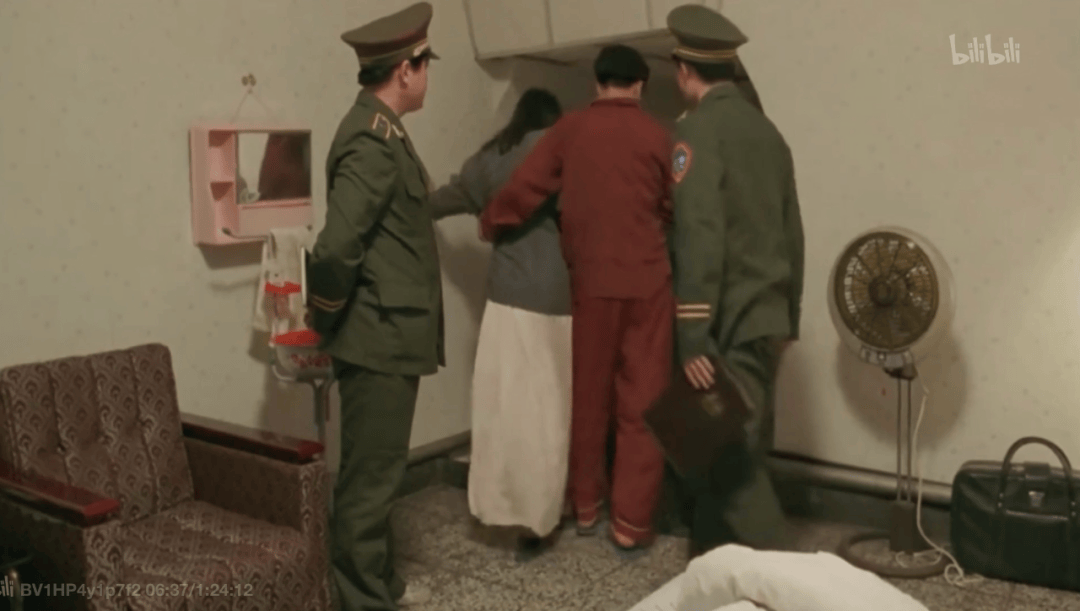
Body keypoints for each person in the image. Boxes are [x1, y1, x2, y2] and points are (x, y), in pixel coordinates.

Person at [479, 45, 675, 552]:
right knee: (643, 402)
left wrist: (491, 222)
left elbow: (524, 189)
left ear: (596, 82)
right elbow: (676, 206)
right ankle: (630, 523)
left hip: (590, 283)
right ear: (640, 85)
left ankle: (586, 504)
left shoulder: (569, 129)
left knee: (587, 398)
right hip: (649, 284)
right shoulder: (661, 136)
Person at [305, 3, 442, 609]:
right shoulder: (370, 137)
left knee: (380, 475)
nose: (428, 77)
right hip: (376, 336)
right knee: (368, 483)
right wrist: (327, 317)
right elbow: (337, 248)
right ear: (406, 69)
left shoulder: (384, 130)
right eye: (426, 65)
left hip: (390, 333)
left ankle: (378, 584)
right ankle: (363, 600)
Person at [665, 4, 805, 556]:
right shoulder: (769, 133)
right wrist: (789, 317)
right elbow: (793, 232)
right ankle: (711, 570)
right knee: (715, 448)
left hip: (726, 321)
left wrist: (692, 334)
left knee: (728, 464)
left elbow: (700, 235)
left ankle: (791, 581)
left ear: (684, 70)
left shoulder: (697, 131)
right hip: (767, 317)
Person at [427, 88, 572, 559]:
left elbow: (448, 198)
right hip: (561, 295)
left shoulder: (494, 157)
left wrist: (414, 203)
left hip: (509, 297)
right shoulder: (565, 152)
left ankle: (500, 506)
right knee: (551, 412)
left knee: (505, 410)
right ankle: (544, 515)